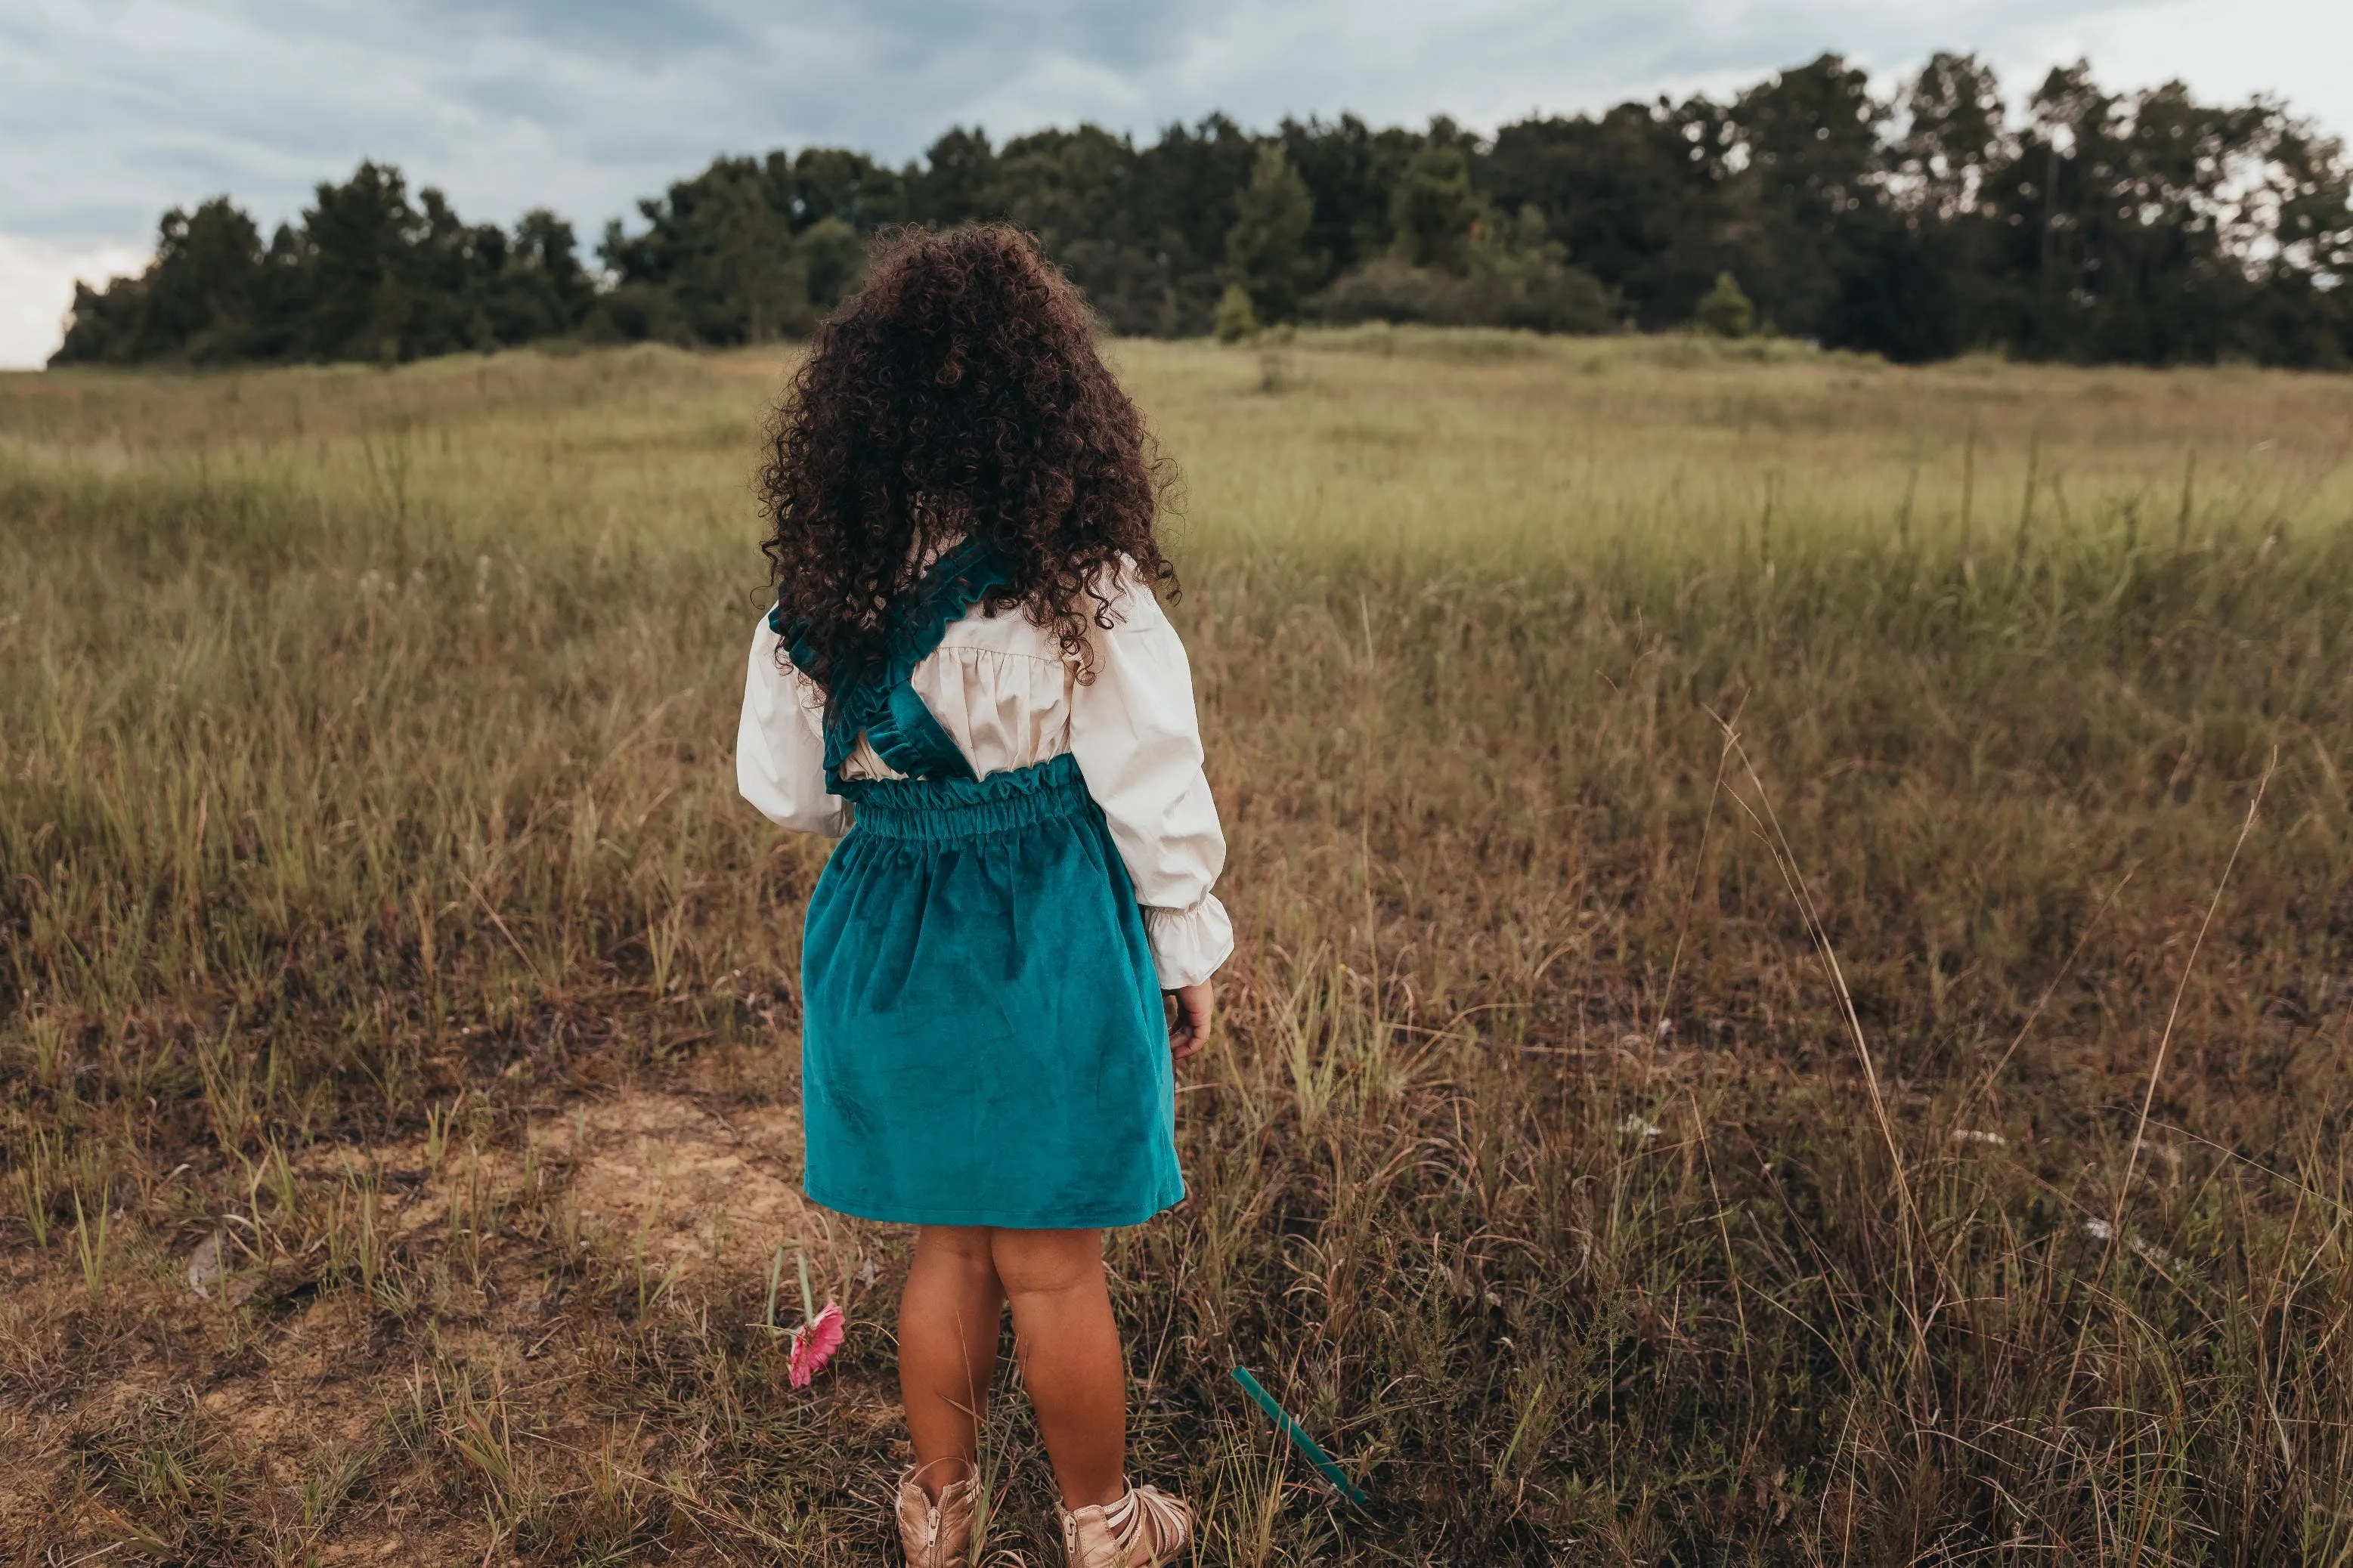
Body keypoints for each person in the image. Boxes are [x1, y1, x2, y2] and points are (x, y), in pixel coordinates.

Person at [735, 224, 1229, 1568]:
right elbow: (1150, 783)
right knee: (1053, 1261)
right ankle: (1105, 1525)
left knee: (947, 1240)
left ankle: (941, 1510)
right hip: (1045, 938)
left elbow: (784, 788)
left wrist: (897, 808)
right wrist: (1183, 940)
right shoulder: (1084, 588)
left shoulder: (816, 603)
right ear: (1053, 411)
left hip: (889, 934)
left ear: (858, 420)